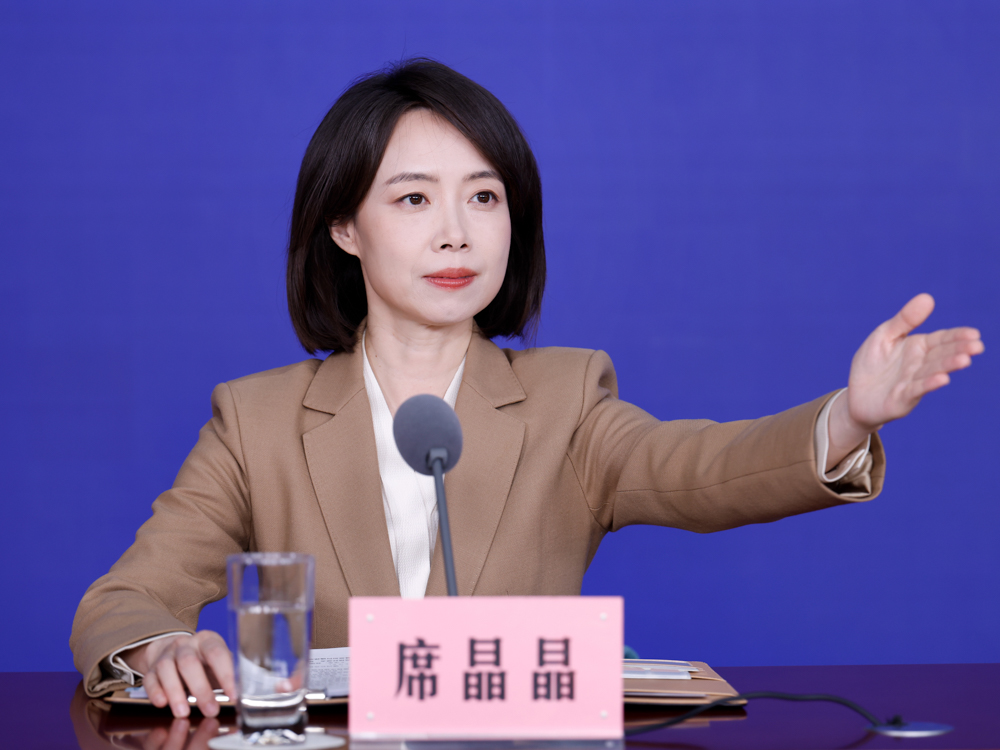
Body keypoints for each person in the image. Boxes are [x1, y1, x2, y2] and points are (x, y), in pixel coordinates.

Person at [70, 59, 983, 719]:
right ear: (345, 225)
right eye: (415, 199)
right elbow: (126, 597)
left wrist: (847, 416)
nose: (457, 233)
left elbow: (699, 468)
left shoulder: (567, 398)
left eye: (485, 197)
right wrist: (159, 645)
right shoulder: (257, 420)